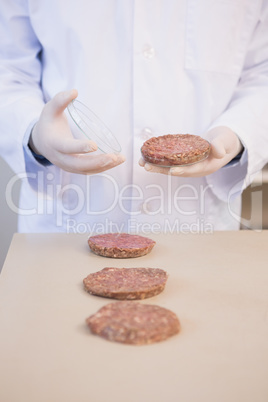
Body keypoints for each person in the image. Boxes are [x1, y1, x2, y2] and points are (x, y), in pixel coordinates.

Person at [0, 1, 268, 234]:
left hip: (199, 222)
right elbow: (8, 70)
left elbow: (263, 73)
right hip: (66, 223)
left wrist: (238, 131)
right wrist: (34, 132)